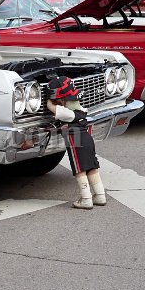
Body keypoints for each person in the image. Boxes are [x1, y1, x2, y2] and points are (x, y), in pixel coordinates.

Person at [46, 75, 105, 210]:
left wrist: (50, 100)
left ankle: (86, 199)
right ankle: (100, 195)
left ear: (62, 100)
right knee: (92, 167)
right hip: (88, 139)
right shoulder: (82, 110)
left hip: (76, 141)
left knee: (79, 170)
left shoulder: (67, 113)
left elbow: (50, 106)